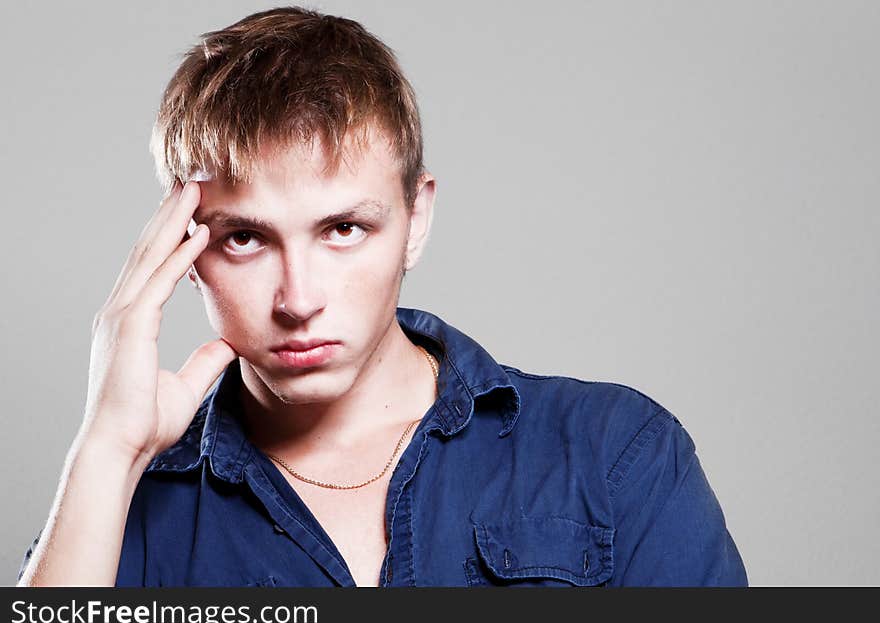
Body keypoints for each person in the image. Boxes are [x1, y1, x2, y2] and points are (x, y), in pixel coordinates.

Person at [17, 6, 747, 587]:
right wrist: (106, 450)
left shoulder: (615, 456)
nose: (298, 299)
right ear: (183, 250)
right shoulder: (124, 514)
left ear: (415, 219)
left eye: (342, 228)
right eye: (245, 238)